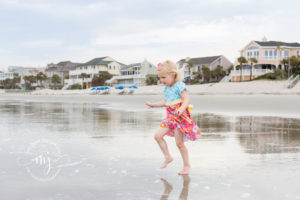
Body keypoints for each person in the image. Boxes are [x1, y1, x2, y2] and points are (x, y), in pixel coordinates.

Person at [145, 60, 200, 175]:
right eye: (160, 78)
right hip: (170, 117)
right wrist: (153, 105)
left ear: (173, 74)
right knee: (157, 136)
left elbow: (186, 99)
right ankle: (168, 157)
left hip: (180, 118)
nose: (161, 80)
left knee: (179, 143)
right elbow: (165, 102)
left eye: (164, 77)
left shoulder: (179, 85)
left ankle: (186, 165)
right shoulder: (166, 89)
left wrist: (181, 109)